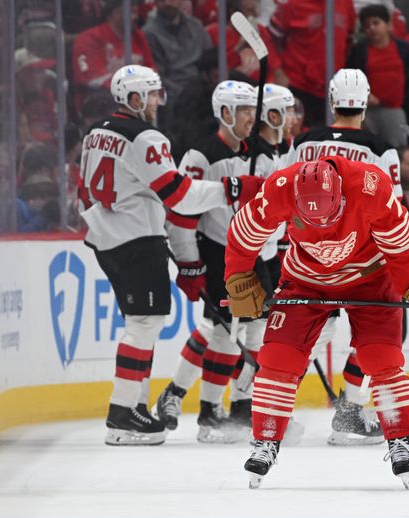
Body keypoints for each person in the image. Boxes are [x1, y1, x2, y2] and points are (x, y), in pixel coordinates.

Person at [224, 157, 409, 488]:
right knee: (277, 358)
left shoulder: (372, 186)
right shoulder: (280, 188)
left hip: (370, 277)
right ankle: (266, 440)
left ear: (342, 194)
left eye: (331, 216)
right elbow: (243, 234)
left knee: (381, 358)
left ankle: (401, 441)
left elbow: (400, 245)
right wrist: (238, 277)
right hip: (305, 279)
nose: (324, 228)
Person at [80, 65, 260, 446]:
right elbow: (179, 195)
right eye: (152, 93)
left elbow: (88, 189)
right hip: (136, 239)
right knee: (145, 323)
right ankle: (123, 413)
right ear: (134, 99)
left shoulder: (96, 133)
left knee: (140, 321)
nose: (159, 100)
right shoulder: (146, 137)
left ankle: (138, 406)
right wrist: (231, 188)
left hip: (104, 237)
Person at [154, 83, 301, 443]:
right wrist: (191, 264)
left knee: (256, 330)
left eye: (255, 108)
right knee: (223, 330)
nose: (253, 116)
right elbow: (181, 214)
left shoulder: (262, 153)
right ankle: (208, 410)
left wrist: (279, 243)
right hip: (220, 251)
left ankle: (239, 406)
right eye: (244, 110)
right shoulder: (201, 155)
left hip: (256, 254)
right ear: (224, 113)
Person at [282, 68, 403, 446]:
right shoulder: (379, 150)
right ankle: (351, 410)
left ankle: (274, 412)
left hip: (306, 257)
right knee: (373, 332)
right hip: (359, 260)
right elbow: (392, 208)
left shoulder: (302, 144)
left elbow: (281, 192)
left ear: (332, 101)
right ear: (365, 103)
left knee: (305, 337)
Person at [346, 4, 409, 148]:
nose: (371, 28)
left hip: (393, 111)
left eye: (376, 23)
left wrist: (404, 94)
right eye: (367, 26)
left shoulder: (403, 48)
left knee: (394, 152)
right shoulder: (359, 51)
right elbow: (349, 78)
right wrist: (364, 95)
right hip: (366, 111)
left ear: (388, 25)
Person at [269, 0, 356, 127]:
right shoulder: (291, 4)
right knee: (300, 142)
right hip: (299, 86)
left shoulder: (346, 3)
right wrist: (278, 71)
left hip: (333, 91)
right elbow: (269, 38)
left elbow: (348, 40)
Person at [71, 1, 154, 117]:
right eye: (133, 12)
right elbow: (92, 80)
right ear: (116, 13)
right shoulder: (89, 38)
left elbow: (151, 71)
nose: (137, 17)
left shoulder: (138, 37)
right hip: (99, 104)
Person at [142, 0, 213, 132]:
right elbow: (158, 76)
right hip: (173, 91)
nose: (168, 3)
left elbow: (211, 60)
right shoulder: (149, 32)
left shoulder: (196, 26)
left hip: (201, 86)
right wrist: (186, 93)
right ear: (155, 3)